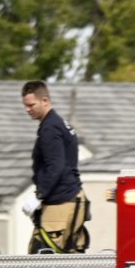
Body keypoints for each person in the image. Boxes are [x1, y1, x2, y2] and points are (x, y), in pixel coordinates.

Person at [21, 80, 89, 253]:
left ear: (45, 101)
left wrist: (39, 195)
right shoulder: (58, 123)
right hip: (70, 198)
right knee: (68, 257)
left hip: (61, 202)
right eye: (25, 105)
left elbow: (55, 166)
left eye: (31, 105)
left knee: (42, 256)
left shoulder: (50, 128)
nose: (27, 109)